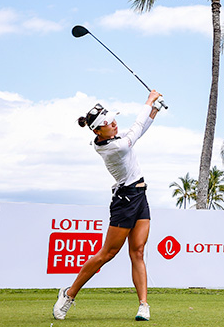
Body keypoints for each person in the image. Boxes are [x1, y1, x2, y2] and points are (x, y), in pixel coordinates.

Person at [53, 90, 163, 321]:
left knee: (138, 251)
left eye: (112, 120)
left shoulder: (111, 137)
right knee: (108, 253)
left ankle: (143, 305)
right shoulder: (114, 147)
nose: (113, 123)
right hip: (124, 200)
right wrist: (149, 101)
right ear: (97, 131)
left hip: (140, 195)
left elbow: (139, 129)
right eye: (107, 123)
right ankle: (69, 294)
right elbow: (135, 131)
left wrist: (153, 111)